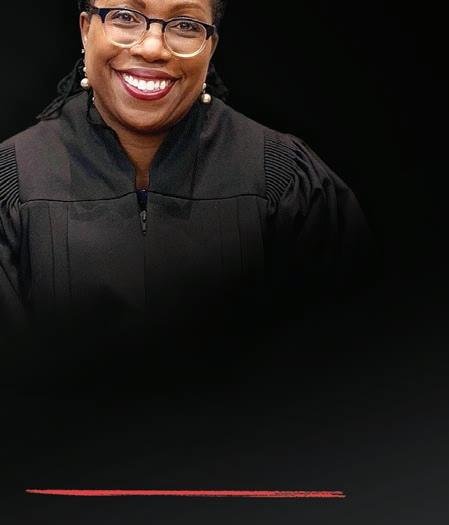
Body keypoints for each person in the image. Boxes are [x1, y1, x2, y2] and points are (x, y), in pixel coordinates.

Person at [0, 0, 373, 362]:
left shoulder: (284, 179)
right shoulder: (13, 180)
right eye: (126, 17)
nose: (152, 48)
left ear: (211, 46)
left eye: (185, 25)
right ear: (86, 29)